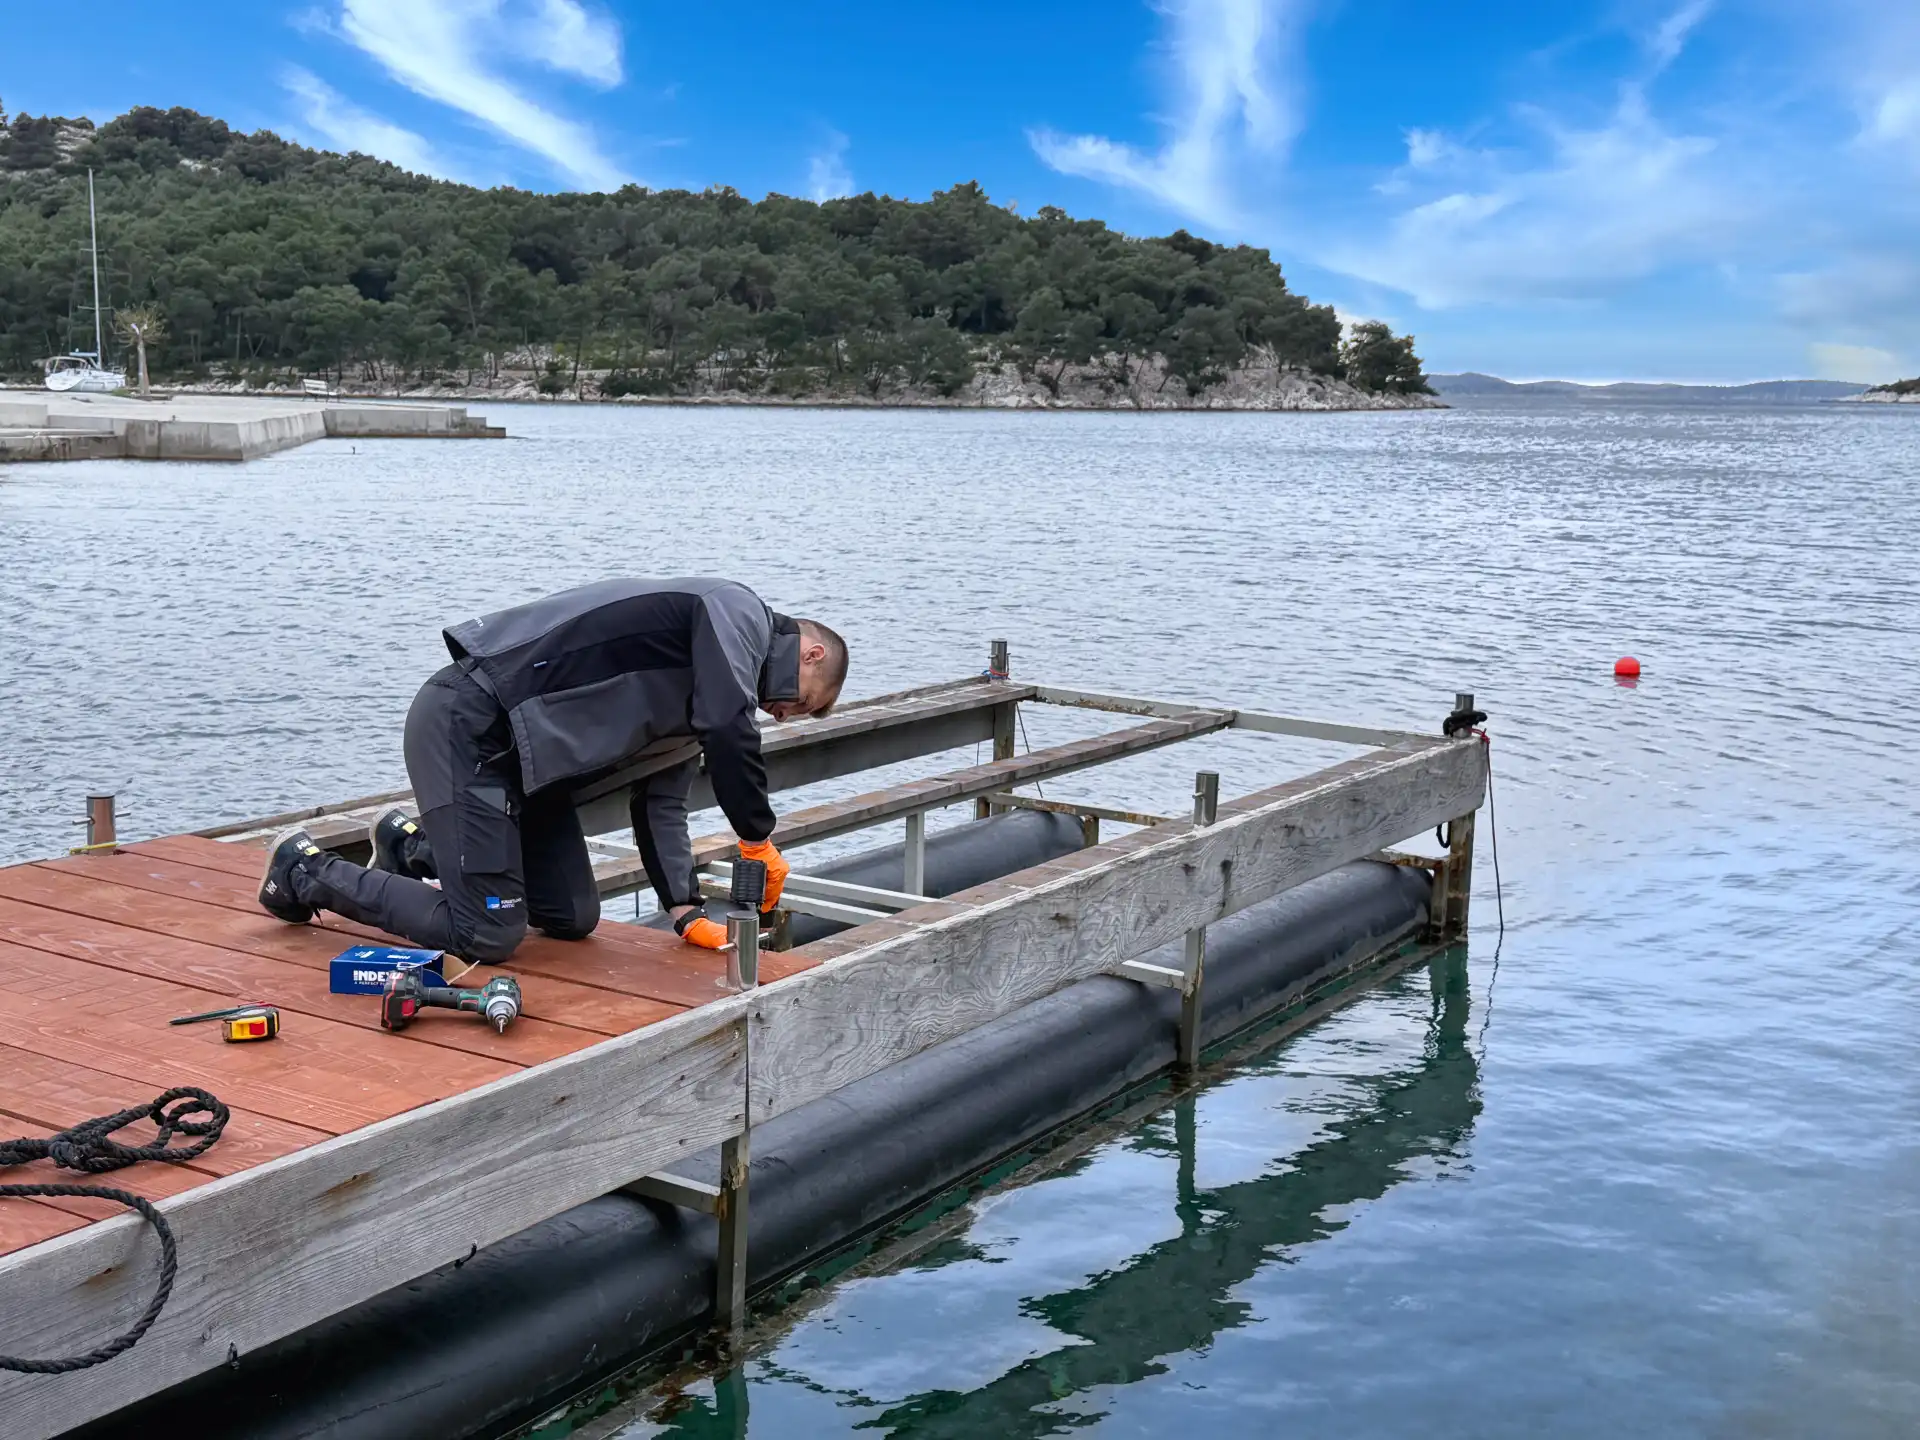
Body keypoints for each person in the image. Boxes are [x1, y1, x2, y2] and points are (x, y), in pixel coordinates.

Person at [255, 577, 848, 961]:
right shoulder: (734, 610)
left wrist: (686, 912)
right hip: (471, 726)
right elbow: (729, 726)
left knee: (572, 917)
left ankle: (411, 846)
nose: (781, 714)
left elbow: (662, 803)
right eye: (800, 702)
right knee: (487, 934)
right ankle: (304, 870)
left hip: (527, 777)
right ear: (811, 653)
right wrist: (756, 838)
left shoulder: (705, 699)